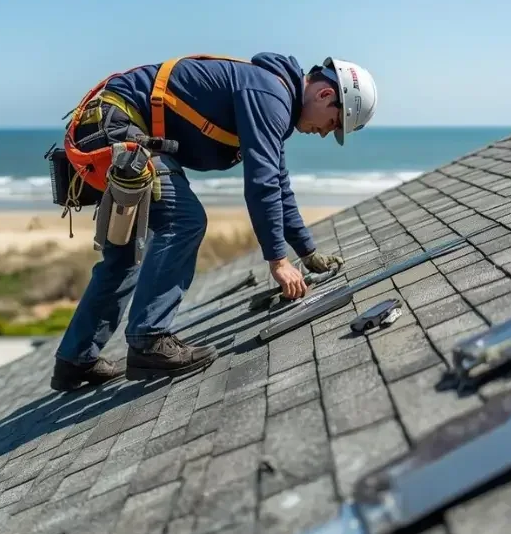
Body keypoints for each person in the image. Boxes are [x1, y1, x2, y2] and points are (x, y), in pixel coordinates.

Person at [49, 53, 378, 391]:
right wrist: (278, 261)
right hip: (117, 129)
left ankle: (75, 360)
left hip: (106, 126)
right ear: (326, 96)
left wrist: (307, 252)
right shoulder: (270, 96)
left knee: (125, 255)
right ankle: (149, 341)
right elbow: (261, 184)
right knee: (184, 221)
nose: (326, 133)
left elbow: (278, 183)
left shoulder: (272, 97)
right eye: (336, 123)